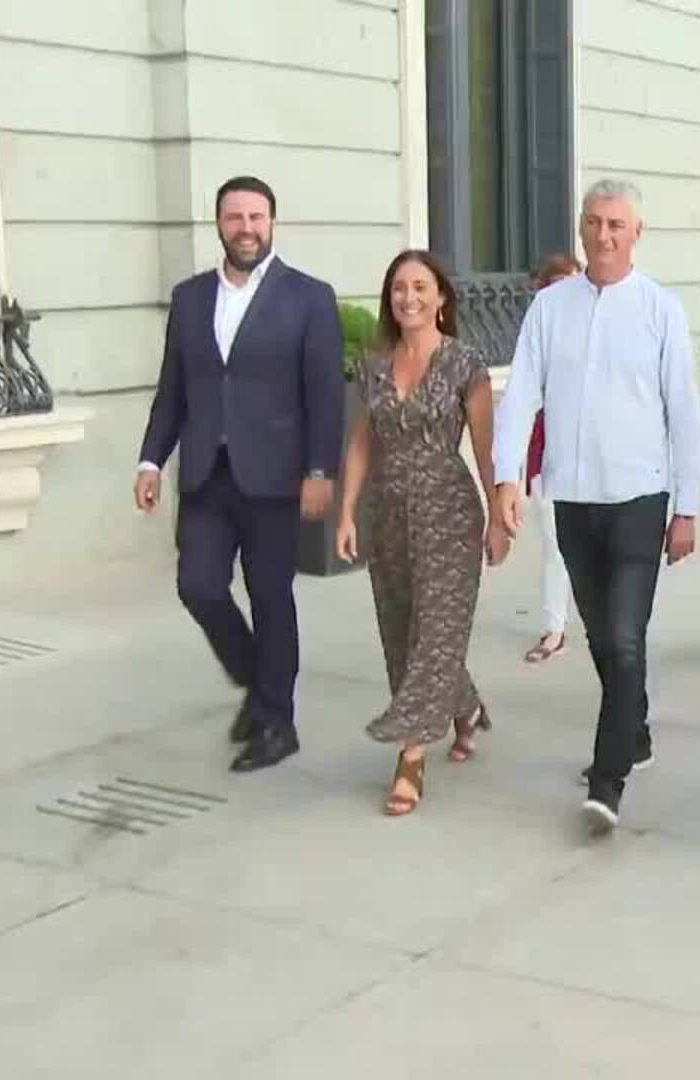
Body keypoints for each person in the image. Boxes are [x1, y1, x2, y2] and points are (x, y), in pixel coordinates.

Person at [490, 179, 700, 835]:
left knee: (625, 636)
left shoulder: (660, 310)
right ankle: (633, 730)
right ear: (581, 228)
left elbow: (683, 412)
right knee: (602, 637)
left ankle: (607, 781)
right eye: (594, 222)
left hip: (640, 496)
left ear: (637, 232)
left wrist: (688, 506)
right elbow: (521, 395)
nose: (604, 235)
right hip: (572, 499)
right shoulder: (549, 308)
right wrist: (505, 478)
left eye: (616, 224)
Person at [134, 175, 343, 773]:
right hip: (207, 475)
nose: (246, 228)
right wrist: (151, 459)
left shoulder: (309, 297)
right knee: (197, 585)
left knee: (271, 597)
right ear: (219, 225)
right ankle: (259, 678)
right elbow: (172, 389)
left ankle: (277, 723)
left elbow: (325, 394)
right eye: (234, 218)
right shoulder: (190, 298)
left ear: (271, 222)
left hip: (277, 478)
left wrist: (320, 470)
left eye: (256, 217)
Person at [335, 250, 506, 814]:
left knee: (435, 630)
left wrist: (499, 514)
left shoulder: (464, 363)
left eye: (419, 287)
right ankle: (466, 706)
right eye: (399, 289)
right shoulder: (375, 363)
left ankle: (410, 757)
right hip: (386, 511)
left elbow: (485, 447)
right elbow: (362, 441)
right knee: (402, 627)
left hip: (449, 512)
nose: (408, 298)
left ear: (441, 298)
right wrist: (346, 512)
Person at [522, 251, 583, 666]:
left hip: (599, 463)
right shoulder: (537, 339)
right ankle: (553, 628)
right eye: (558, 285)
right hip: (548, 459)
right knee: (554, 545)